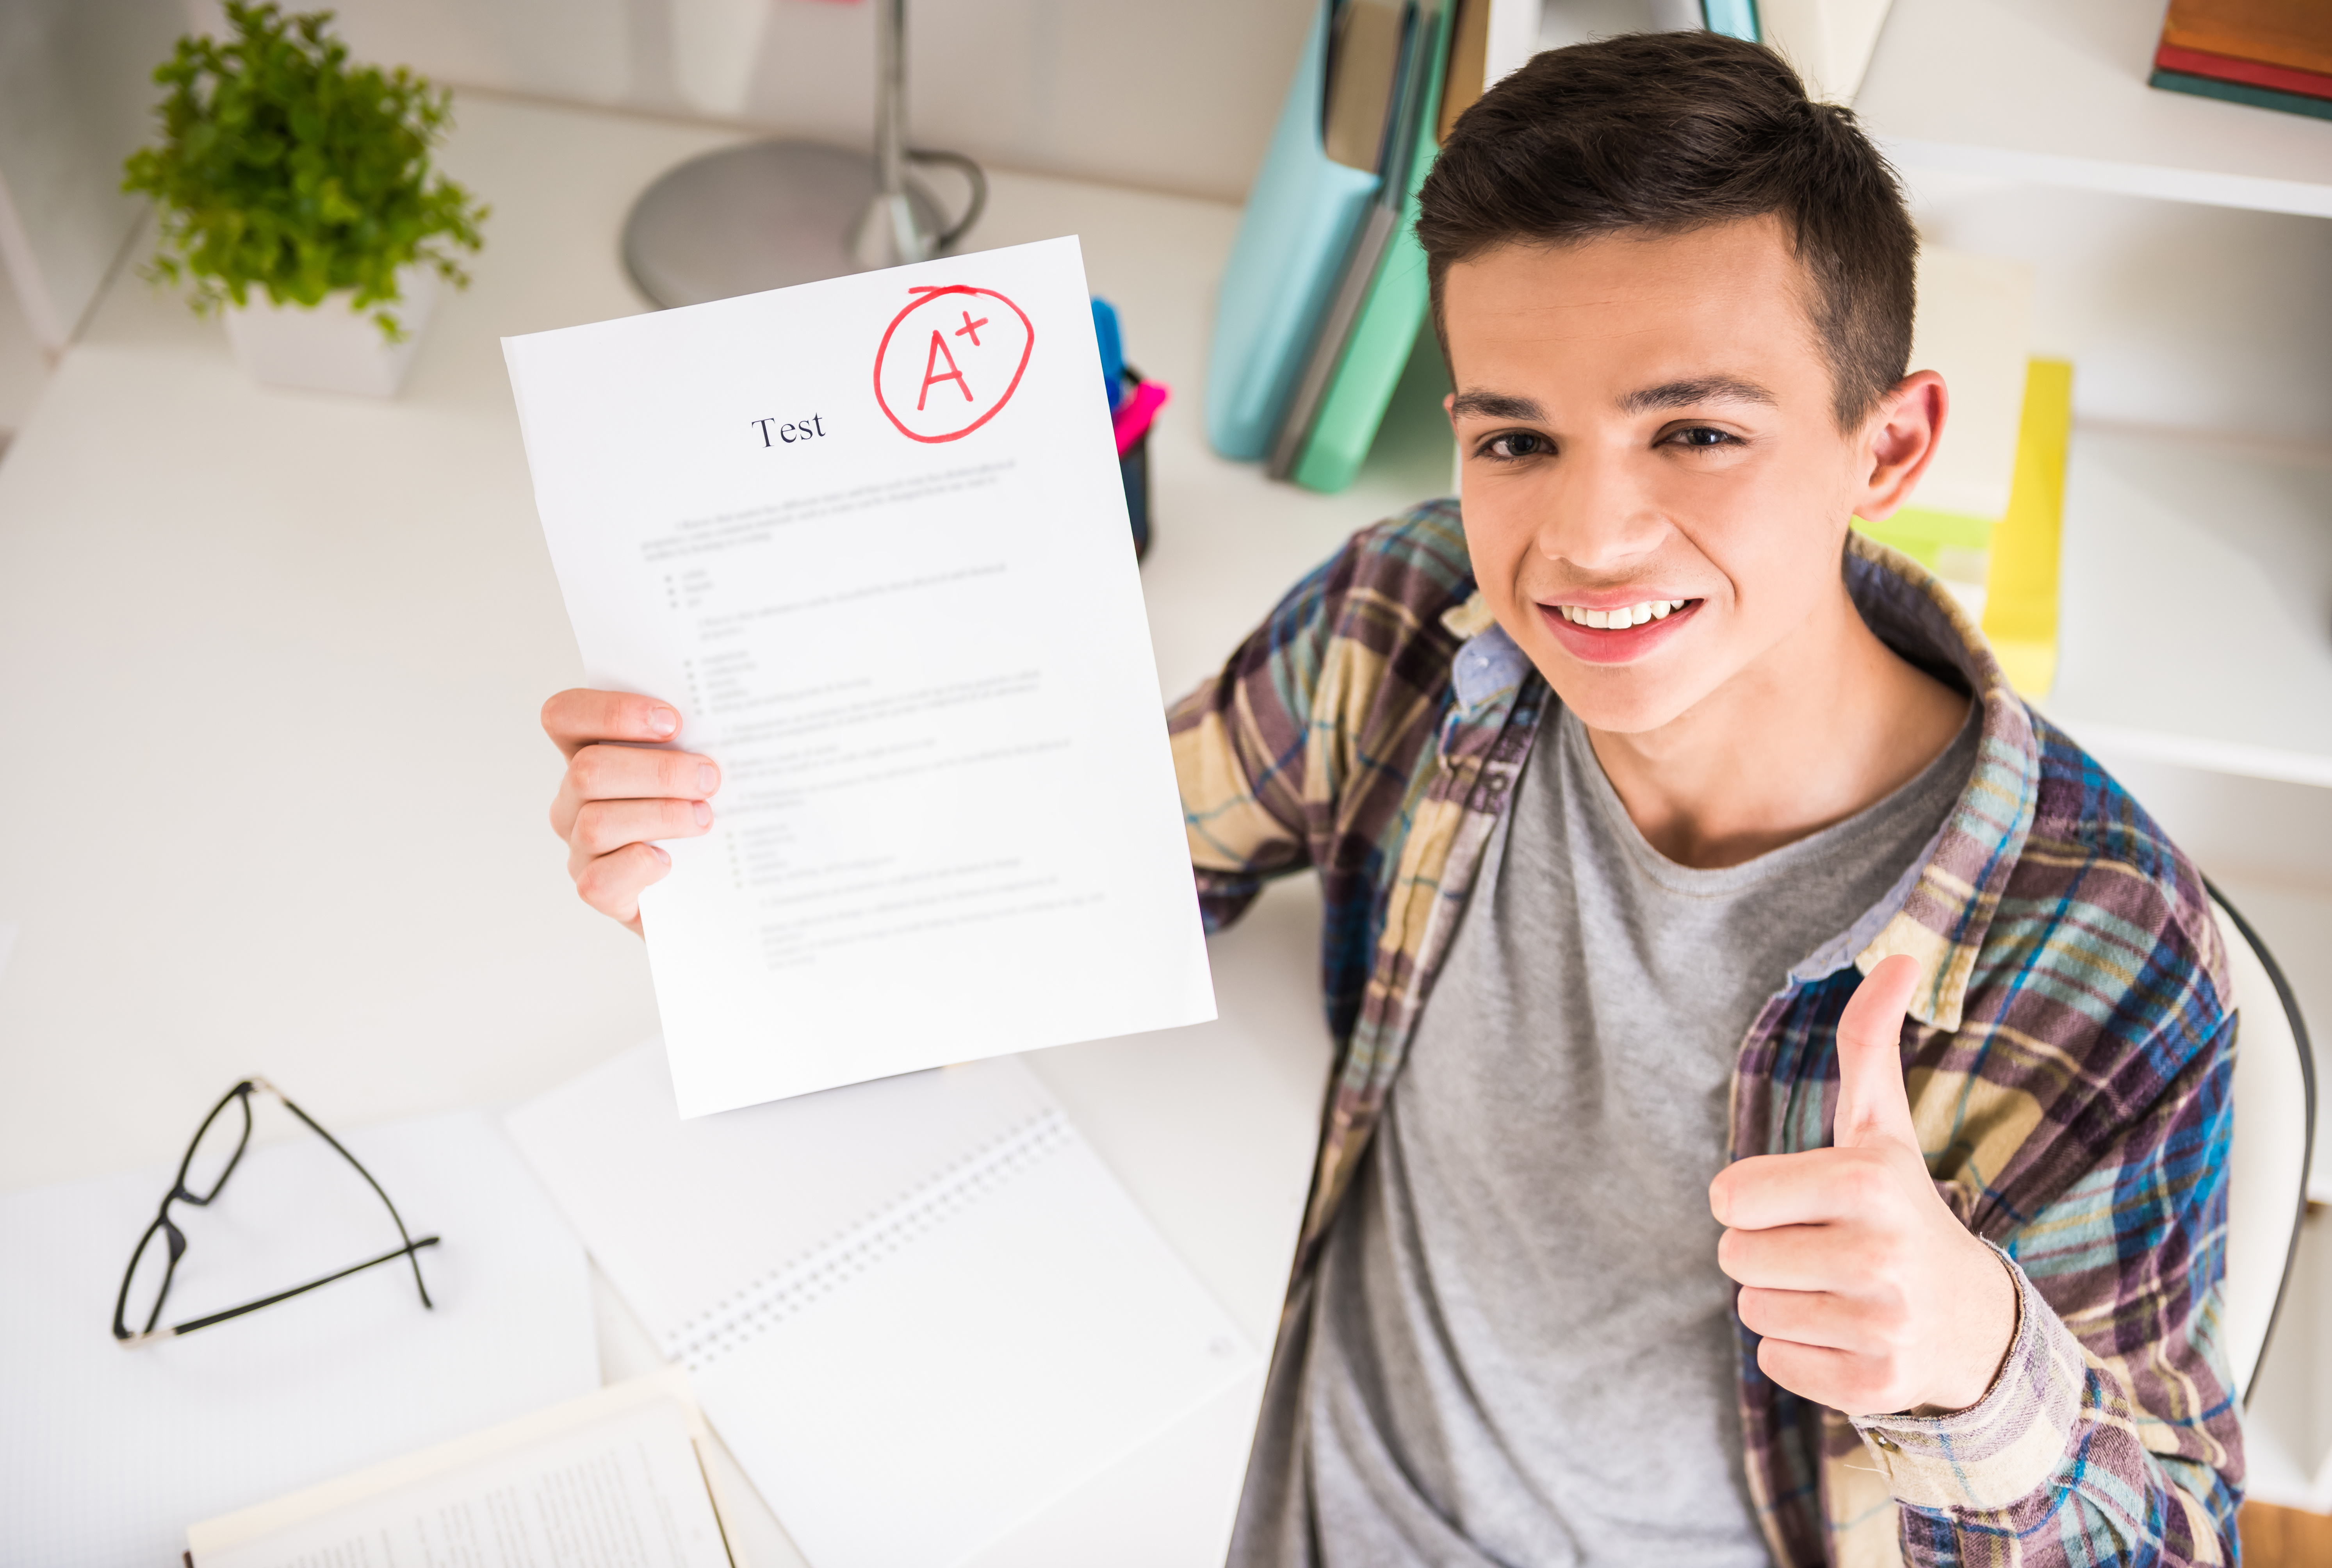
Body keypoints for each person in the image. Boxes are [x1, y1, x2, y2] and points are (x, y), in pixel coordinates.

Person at [538, 31, 2239, 1567]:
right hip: (1235, 1468)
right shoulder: (1412, 623)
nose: (1585, 539)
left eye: (1697, 434)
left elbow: (2163, 1540)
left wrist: (1968, 1362)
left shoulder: (2107, 960)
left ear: (1889, 447)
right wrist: (732, 853)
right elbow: (1068, 887)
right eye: (1517, 439)